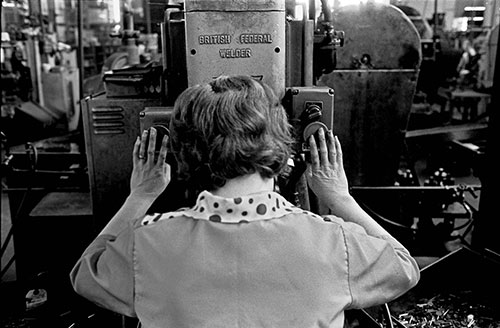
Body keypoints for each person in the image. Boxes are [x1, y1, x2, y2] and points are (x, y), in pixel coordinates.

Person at [70, 75, 420, 328]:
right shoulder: (335, 245)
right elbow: (404, 268)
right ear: (283, 149)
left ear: (186, 155)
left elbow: (85, 274)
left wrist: (140, 196)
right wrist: (340, 198)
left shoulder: (145, 247)